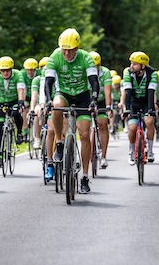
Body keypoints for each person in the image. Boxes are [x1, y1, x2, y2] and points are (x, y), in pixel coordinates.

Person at [44, 28, 99, 194]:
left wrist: (94, 99)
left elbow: (94, 81)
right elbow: (48, 82)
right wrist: (47, 100)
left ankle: (84, 176)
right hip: (64, 93)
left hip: (83, 96)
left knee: (83, 134)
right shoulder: (55, 56)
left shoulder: (85, 58)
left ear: (76, 48)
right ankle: (60, 143)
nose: (66, 53)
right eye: (63, 49)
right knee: (56, 104)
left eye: (69, 50)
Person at [0, 56, 26, 168]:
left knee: (16, 113)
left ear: (11, 69)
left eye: (7, 70)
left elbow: (20, 89)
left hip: (14, 100)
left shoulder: (17, 74)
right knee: (0, 128)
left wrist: (20, 102)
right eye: (3, 71)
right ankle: (0, 157)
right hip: (2, 103)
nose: (5, 73)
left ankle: (19, 132)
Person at [122, 51, 157, 165]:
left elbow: (151, 92)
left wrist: (151, 110)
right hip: (133, 102)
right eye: (131, 63)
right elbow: (127, 92)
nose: (131, 66)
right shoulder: (127, 72)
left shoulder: (153, 73)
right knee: (132, 128)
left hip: (146, 102)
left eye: (135, 64)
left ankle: (150, 151)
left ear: (143, 66)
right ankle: (132, 152)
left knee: (149, 121)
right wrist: (127, 109)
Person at [89, 51, 113, 169]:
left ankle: (103, 156)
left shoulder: (105, 72)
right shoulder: (84, 70)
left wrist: (108, 107)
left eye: (97, 66)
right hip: (87, 99)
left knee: (103, 124)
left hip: (102, 100)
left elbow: (108, 92)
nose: (95, 69)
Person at [20, 58, 39, 142]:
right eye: (28, 70)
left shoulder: (39, 73)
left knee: (37, 109)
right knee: (24, 110)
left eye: (32, 70)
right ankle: (25, 130)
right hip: (27, 95)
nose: (30, 72)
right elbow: (23, 89)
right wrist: (23, 102)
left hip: (37, 95)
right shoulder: (22, 74)